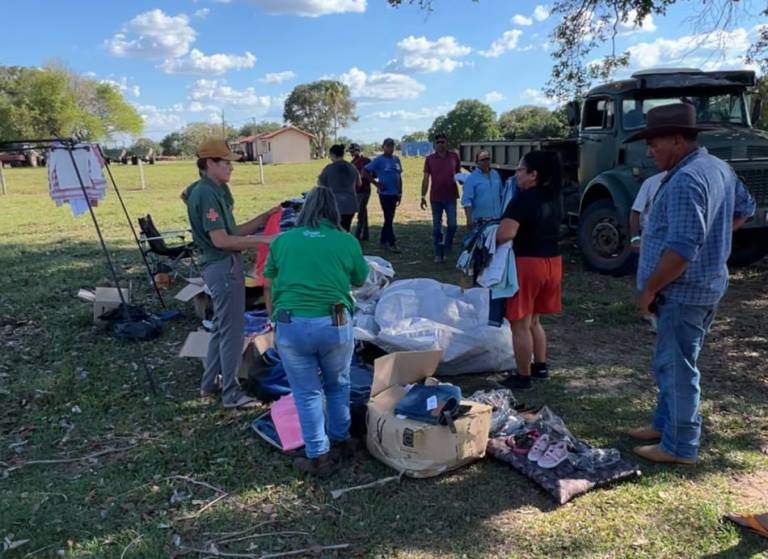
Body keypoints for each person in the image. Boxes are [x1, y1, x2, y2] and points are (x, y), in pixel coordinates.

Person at [625, 103, 755, 465]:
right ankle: (664, 424)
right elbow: (745, 209)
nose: (649, 151)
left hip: (681, 291)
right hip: (705, 285)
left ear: (677, 140)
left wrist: (650, 288)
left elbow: (681, 250)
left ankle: (680, 445)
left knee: (677, 366)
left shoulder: (686, 180)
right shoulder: (718, 168)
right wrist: (715, 237)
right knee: (673, 360)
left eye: (654, 143)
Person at [263, 186, 369, 479]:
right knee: (338, 384)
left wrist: (273, 320)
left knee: (306, 393)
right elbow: (360, 279)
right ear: (334, 211)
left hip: (291, 324)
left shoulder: (283, 241)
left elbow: (268, 284)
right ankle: (341, 439)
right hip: (334, 323)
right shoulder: (345, 240)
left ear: (305, 209)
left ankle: (319, 456)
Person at [184, 138, 278, 409]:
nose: (231, 167)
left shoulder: (215, 190)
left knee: (221, 328)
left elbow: (233, 231)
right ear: (209, 164)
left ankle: (209, 383)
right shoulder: (206, 193)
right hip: (222, 266)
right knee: (234, 333)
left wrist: (263, 219)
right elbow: (222, 240)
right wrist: (265, 240)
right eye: (225, 163)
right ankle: (231, 393)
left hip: (224, 265)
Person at [496, 151, 564, 391]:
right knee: (534, 320)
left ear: (533, 174)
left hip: (528, 264)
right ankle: (540, 367)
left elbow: (506, 233)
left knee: (519, 324)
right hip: (553, 263)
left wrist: (489, 238)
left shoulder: (523, 199)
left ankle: (523, 376)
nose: (516, 174)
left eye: (520, 170)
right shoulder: (554, 198)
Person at [421, 133, 461, 263]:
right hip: (436, 197)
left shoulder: (454, 156)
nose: (440, 144)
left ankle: (447, 246)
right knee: (437, 228)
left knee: (453, 225)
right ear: (435, 144)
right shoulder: (430, 159)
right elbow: (426, 178)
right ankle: (438, 253)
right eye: (438, 142)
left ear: (446, 143)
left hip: (451, 196)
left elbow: (459, 174)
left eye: (443, 142)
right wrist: (422, 196)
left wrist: (464, 182)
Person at [363, 138, 403, 253]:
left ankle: (383, 239)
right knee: (389, 217)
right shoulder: (379, 160)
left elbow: (399, 176)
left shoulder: (396, 159)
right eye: (388, 146)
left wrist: (400, 192)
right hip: (385, 194)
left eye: (392, 146)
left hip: (395, 193)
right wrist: (376, 184)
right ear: (383, 147)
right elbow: (364, 171)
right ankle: (392, 242)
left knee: (389, 218)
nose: (390, 148)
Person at [318, 144, 361, 232]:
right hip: (350, 205)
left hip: (334, 205)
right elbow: (359, 184)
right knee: (346, 230)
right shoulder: (352, 167)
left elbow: (321, 185)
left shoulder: (329, 168)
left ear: (333, 154)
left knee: (334, 231)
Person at [461, 150, 505, 227]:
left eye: (487, 159)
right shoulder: (472, 178)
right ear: (477, 162)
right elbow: (466, 200)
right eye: (483, 160)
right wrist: (469, 219)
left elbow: (501, 195)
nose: (486, 162)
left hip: (497, 219)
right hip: (480, 221)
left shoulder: (495, 174)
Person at [629, 171, 667, 253]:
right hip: (651, 238)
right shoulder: (651, 182)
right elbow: (636, 211)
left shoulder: (686, 181)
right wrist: (635, 238)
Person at [348, 143, 371, 241]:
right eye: (350, 151)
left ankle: (358, 233)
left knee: (360, 212)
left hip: (364, 189)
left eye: (353, 151)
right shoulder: (352, 163)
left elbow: (372, 173)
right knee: (363, 211)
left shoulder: (366, 161)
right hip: (356, 190)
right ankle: (365, 234)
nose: (352, 153)